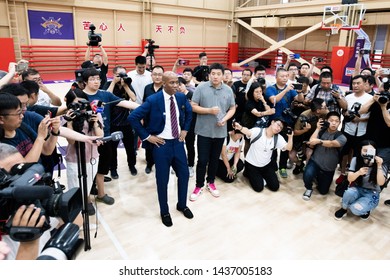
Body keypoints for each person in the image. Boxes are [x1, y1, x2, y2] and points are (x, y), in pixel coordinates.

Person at [128, 71, 193, 227]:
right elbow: (133, 118)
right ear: (163, 83)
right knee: (162, 180)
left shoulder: (181, 97)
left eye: (177, 82)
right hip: (161, 145)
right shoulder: (153, 100)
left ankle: (182, 205)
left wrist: (185, 129)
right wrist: (147, 136)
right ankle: (164, 211)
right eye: (172, 83)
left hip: (178, 143)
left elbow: (189, 113)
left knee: (184, 175)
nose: (176, 85)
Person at [189, 63, 236, 201]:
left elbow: (232, 108)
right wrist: (209, 110)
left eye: (218, 74)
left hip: (220, 132)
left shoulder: (228, 90)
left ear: (223, 75)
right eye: (213, 74)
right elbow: (193, 106)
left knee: (214, 160)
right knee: (202, 160)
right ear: (209, 74)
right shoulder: (201, 88)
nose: (215, 76)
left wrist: (225, 119)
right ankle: (198, 186)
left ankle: (211, 182)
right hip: (204, 131)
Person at [63, 90, 103, 216]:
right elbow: (71, 141)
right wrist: (69, 122)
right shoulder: (67, 117)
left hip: (92, 157)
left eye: (82, 103)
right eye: (76, 104)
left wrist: (95, 122)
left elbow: (100, 136)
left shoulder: (94, 114)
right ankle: (75, 211)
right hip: (75, 158)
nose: (80, 107)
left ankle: (86, 199)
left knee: (89, 183)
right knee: (75, 188)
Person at [233, 119, 293, 192]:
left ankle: (259, 176)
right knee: (259, 188)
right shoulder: (258, 131)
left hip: (266, 165)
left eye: (280, 128)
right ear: (272, 122)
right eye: (278, 125)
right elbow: (248, 132)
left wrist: (290, 137)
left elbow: (288, 148)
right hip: (252, 164)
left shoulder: (278, 138)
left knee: (275, 187)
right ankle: (248, 172)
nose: (278, 128)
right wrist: (240, 128)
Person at [265, 67, 304, 178]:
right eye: (282, 76)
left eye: (286, 76)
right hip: (273, 122)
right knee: (271, 145)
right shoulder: (270, 88)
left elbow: (299, 99)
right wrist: (285, 90)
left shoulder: (290, 89)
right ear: (276, 77)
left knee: (285, 146)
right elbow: (274, 100)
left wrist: (300, 93)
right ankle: (272, 166)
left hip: (287, 122)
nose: (284, 78)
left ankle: (282, 166)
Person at [334, 140, 386, 220]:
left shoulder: (380, 162)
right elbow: (350, 178)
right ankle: (344, 208)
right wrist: (358, 172)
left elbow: (381, 183)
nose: (367, 153)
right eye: (365, 150)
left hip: (372, 192)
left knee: (355, 209)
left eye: (371, 151)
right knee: (349, 193)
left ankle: (363, 208)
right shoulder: (356, 160)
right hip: (358, 187)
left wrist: (379, 166)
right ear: (360, 151)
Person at [302, 111, 347, 201]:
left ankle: (318, 177)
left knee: (323, 191)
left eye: (337, 121)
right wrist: (318, 128)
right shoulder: (322, 132)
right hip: (315, 161)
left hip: (329, 167)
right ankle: (309, 188)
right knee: (307, 174)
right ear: (326, 121)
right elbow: (312, 140)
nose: (334, 123)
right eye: (331, 120)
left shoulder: (342, 137)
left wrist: (319, 141)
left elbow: (332, 143)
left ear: (339, 123)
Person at [336, 75, 372, 185]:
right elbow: (343, 112)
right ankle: (342, 174)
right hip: (347, 130)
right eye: (354, 83)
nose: (355, 85)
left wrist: (360, 119)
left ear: (365, 83)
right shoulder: (348, 97)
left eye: (358, 83)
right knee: (344, 154)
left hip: (362, 132)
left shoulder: (370, 99)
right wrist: (345, 114)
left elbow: (372, 117)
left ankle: (354, 176)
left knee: (357, 156)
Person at [103, 66, 137, 178]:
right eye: (119, 74)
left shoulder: (127, 84)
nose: (122, 76)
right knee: (112, 149)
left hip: (126, 122)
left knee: (130, 147)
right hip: (113, 122)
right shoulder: (108, 84)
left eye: (123, 74)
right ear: (113, 74)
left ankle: (132, 166)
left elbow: (134, 98)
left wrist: (126, 86)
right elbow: (105, 97)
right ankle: (113, 169)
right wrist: (113, 82)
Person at [289, 98, 328, 175]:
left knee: (309, 154)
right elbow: (295, 132)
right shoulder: (304, 115)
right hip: (301, 137)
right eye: (325, 107)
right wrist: (305, 130)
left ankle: (308, 169)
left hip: (314, 137)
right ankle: (299, 164)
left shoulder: (326, 113)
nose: (327, 108)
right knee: (291, 155)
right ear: (318, 110)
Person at [240, 82, 275, 156]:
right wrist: (267, 112)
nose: (259, 93)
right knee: (248, 143)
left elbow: (269, 109)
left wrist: (263, 101)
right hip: (250, 125)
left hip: (262, 126)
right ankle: (247, 159)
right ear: (252, 92)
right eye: (256, 92)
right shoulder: (249, 102)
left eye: (260, 91)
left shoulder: (264, 99)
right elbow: (257, 113)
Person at [142, 65, 165, 174]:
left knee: (161, 144)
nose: (157, 77)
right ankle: (149, 164)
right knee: (149, 144)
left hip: (162, 122)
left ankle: (161, 164)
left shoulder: (166, 89)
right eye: (155, 74)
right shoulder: (147, 88)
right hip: (148, 121)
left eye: (159, 74)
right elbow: (143, 103)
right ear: (151, 75)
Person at [178, 76, 196, 177]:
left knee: (190, 145)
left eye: (180, 85)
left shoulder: (192, 95)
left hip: (190, 125)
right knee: (179, 146)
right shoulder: (175, 96)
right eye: (177, 86)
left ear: (185, 84)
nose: (179, 87)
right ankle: (178, 165)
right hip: (178, 124)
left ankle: (190, 165)